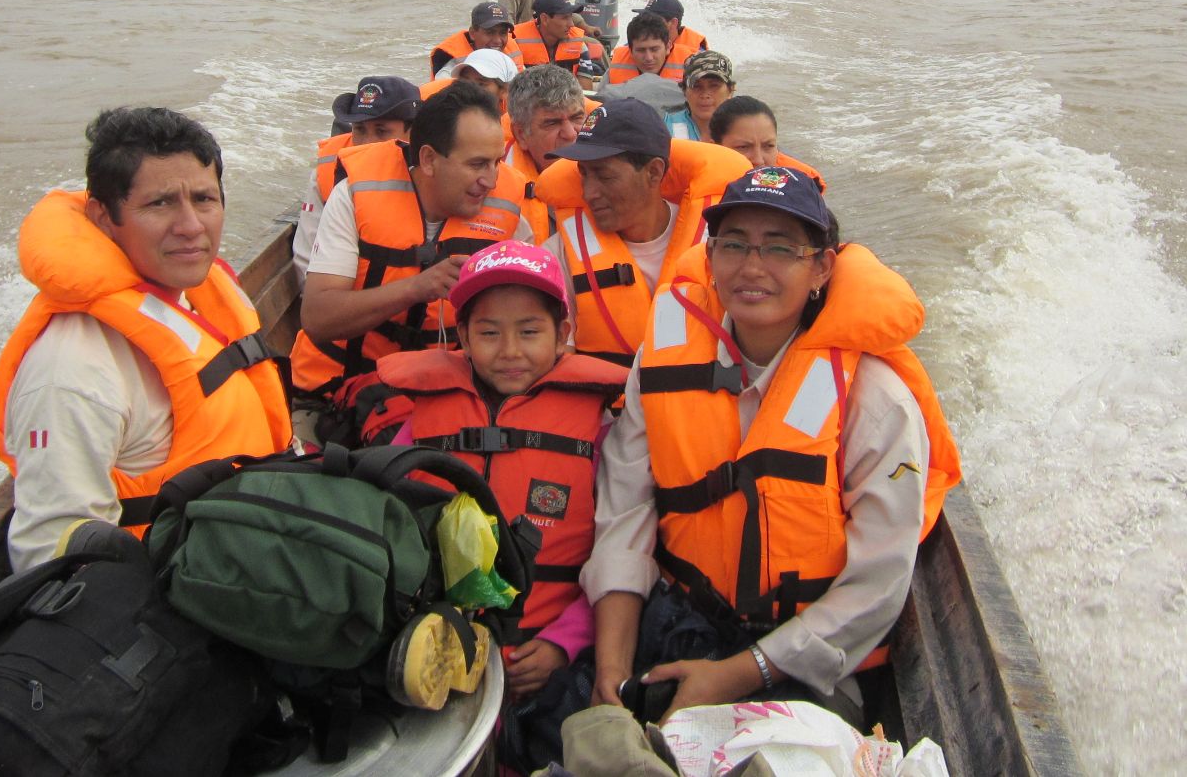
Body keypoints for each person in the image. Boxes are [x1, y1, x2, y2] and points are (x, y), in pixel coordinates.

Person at [582, 167, 962, 724]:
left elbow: (878, 581)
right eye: (734, 244)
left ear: (822, 267)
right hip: (674, 618)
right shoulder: (662, 361)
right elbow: (625, 508)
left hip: (796, 657)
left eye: (780, 248)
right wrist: (610, 671)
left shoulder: (874, 400)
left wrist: (740, 673)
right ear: (709, 257)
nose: (752, 267)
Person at [0, 107, 292, 571]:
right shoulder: (74, 370)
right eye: (160, 203)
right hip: (181, 590)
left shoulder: (198, 296)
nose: (191, 225)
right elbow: (51, 561)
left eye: (205, 199)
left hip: (260, 536)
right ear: (102, 217)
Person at [373, 242, 625, 772]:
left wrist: (566, 640)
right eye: (488, 333)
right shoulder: (424, 420)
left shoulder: (600, 433)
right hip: (439, 645)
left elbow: (618, 550)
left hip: (548, 650)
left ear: (563, 334)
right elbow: (382, 517)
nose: (509, 349)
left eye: (529, 331)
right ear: (462, 338)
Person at [294, 82, 533, 428]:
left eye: (497, 162)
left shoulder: (509, 210)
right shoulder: (355, 195)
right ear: (429, 159)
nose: (492, 181)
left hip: (445, 399)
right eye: (478, 164)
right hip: (334, 395)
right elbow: (317, 318)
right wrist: (419, 287)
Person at [534, 99, 748, 366]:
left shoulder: (723, 247)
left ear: (654, 172)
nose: (588, 193)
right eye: (584, 175)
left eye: (605, 176)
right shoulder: (557, 256)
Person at [293, 76, 420, 285]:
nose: (367, 143)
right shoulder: (326, 171)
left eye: (381, 131)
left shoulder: (433, 172)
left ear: (413, 132)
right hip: (338, 303)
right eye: (359, 129)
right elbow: (306, 254)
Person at [504, 64, 591, 244]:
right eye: (552, 123)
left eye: (577, 118)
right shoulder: (489, 186)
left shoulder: (617, 170)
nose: (570, 134)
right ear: (521, 134)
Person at [708, 95, 827, 192]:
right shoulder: (691, 190)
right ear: (715, 149)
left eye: (769, 146)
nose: (759, 160)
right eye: (743, 147)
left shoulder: (806, 190)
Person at [512, 0, 604, 76]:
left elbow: (586, 90)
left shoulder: (579, 44)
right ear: (545, 19)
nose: (571, 24)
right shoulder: (515, 43)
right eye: (564, 18)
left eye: (571, 17)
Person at [430, 1, 522, 78]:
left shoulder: (511, 54)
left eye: (503, 33)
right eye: (490, 32)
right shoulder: (448, 73)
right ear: (473, 33)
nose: (497, 40)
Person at [667, 50, 736, 140]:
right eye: (696, 86)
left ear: (730, 90)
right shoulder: (663, 130)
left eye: (714, 86)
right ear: (684, 90)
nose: (705, 94)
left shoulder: (746, 130)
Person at [606, 10, 683, 85]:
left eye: (654, 49)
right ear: (630, 51)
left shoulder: (689, 66)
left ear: (668, 47)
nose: (649, 58)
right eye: (641, 50)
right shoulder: (614, 68)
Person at [642, 0, 708, 58]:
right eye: (644, 17)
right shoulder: (635, 42)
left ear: (673, 23)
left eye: (653, 20)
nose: (646, 23)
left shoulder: (698, 53)